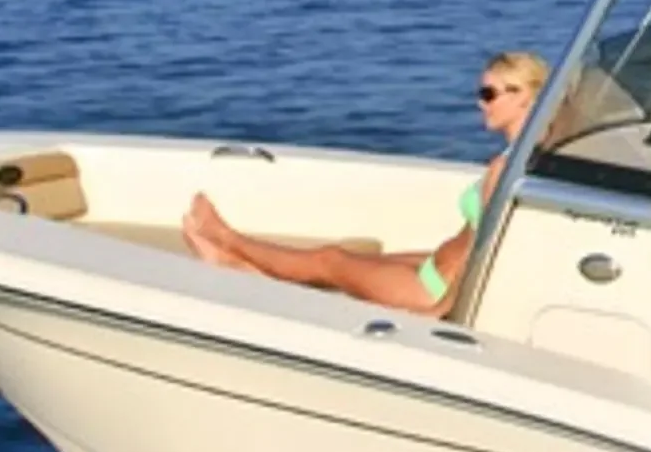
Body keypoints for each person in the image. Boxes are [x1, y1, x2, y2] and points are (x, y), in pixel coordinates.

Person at [182, 50, 548, 314]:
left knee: (330, 260)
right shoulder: (529, 156)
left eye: (489, 94)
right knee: (357, 262)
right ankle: (237, 266)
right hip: (437, 268)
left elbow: (483, 251)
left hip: (433, 288)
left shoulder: (505, 168)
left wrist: (441, 312)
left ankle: (227, 238)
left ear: (525, 98)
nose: (481, 104)